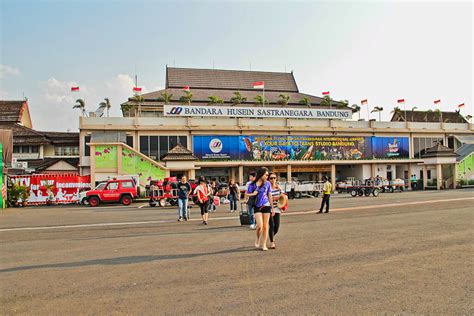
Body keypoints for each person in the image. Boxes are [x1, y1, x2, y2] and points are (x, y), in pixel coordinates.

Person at [246, 167, 273, 251]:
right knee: (259, 226)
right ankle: (257, 238)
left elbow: (269, 195)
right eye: (266, 175)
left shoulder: (268, 183)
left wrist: (272, 207)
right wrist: (253, 194)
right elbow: (246, 194)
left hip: (266, 205)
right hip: (257, 206)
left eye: (268, 175)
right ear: (261, 174)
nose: (267, 176)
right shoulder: (252, 184)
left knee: (265, 226)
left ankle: (264, 244)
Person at [268, 172, 283, 249]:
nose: (273, 179)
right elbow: (269, 198)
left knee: (277, 226)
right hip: (269, 208)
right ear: (268, 179)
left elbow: (283, 196)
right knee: (272, 225)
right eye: (271, 178)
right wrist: (277, 197)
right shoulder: (268, 188)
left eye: (274, 178)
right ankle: (272, 242)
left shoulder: (278, 187)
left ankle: (271, 236)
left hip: (277, 208)